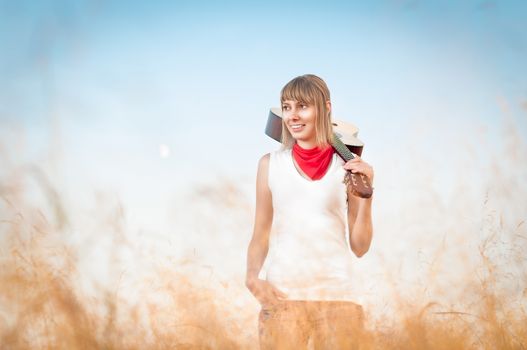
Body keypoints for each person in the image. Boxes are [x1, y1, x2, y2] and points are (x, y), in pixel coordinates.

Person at [245, 74, 374, 349]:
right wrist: (252, 278)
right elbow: (261, 232)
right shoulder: (269, 165)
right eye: (287, 107)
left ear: (325, 108)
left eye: (302, 106)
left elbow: (360, 247)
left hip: (340, 301)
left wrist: (368, 197)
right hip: (282, 301)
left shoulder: (347, 167)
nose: (293, 116)